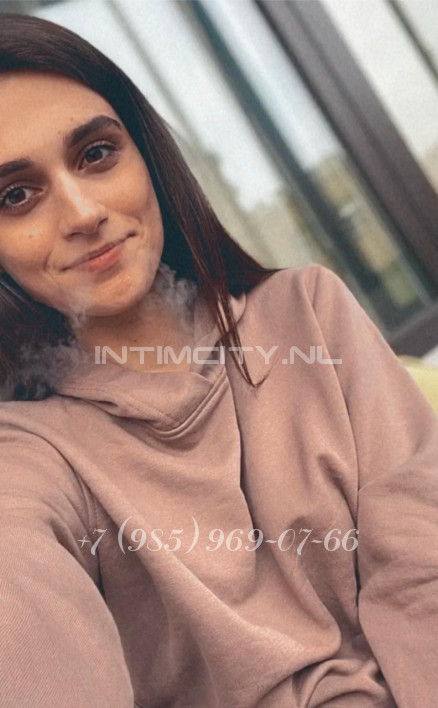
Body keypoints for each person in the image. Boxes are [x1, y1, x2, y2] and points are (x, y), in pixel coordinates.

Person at [0, 12, 436, 708]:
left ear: (146, 155)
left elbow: (421, 567)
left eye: (96, 154)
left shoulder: (308, 312)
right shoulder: (27, 457)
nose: (83, 213)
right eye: (16, 196)